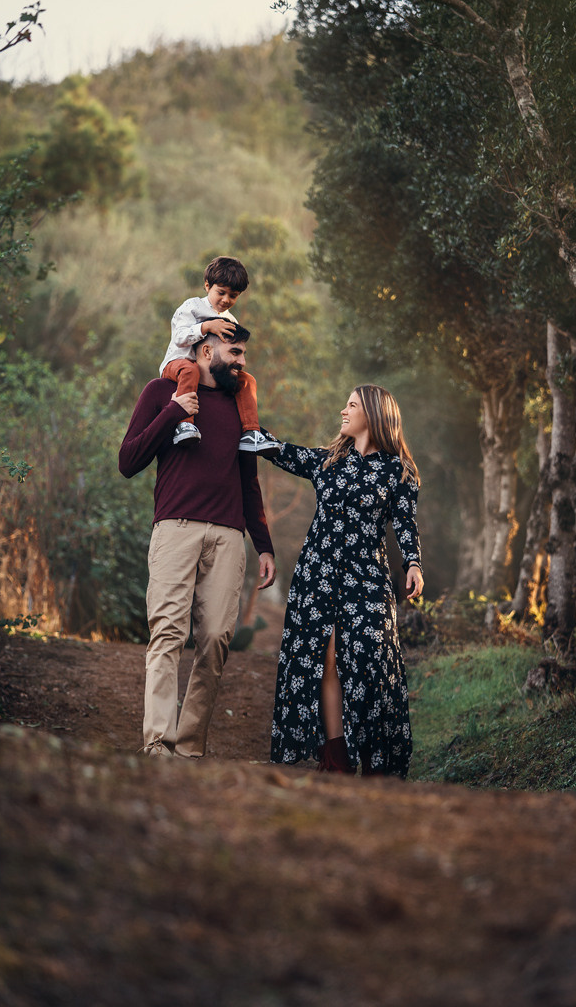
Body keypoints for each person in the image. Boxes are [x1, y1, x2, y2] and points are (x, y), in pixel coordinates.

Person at [119, 321, 277, 758]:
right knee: (167, 634)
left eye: (244, 354)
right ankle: (157, 746)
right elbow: (127, 460)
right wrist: (173, 411)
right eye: (236, 353)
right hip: (175, 530)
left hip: (228, 536)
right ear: (206, 352)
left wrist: (263, 544)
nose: (243, 363)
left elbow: (249, 480)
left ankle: (188, 749)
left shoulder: (240, 407)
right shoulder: (160, 391)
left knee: (215, 640)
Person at [265, 384, 424, 779]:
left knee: (372, 660)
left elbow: (404, 522)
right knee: (327, 661)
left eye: (351, 405)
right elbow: (283, 452)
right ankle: (335, 759)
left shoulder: (398, 471)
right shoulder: (329, 461)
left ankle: (374, 758)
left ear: (372, 413)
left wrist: (414, 564)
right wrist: (246, 432)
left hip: (367, 577)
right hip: (317, 574)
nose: (343, 411)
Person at [159, 254, 280, 454]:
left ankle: (251, 432)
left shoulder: (230, 319)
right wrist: (206, 326)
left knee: (247, 380)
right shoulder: (192, 307)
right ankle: (184, 424)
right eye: (221, 292)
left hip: (207, 372)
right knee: (190, 370)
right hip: (178, 364)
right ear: (207, 286)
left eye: (233, 296)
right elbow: (179, 337)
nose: (226, 300)